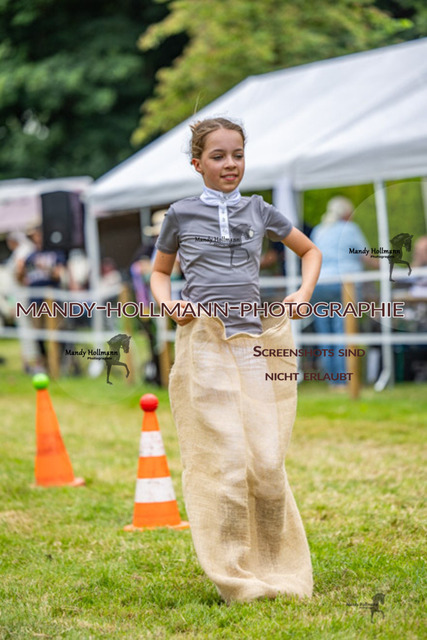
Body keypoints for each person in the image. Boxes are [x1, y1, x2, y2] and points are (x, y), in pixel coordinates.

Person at [150, 117, 321, 604]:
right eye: (219, 156)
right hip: (204, 344)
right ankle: (233, 573)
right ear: (197, 163)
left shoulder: (259, 210)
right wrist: (169, 304)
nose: (230, 164)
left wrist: (302, 293)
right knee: (223, 461)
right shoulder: (180, 214)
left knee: (265, 460)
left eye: (238, 155)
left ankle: (276, 564)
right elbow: (159, 273)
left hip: (252, 347)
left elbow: (309, 252)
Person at [310, 196, 374, 387]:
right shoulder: (350, 229)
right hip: (344, 285)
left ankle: (333, 381)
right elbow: (366, 256)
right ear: (347, 213)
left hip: (319, 284)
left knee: (325, 335)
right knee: (344, 332)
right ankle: (344, 381)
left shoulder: (319, 230)